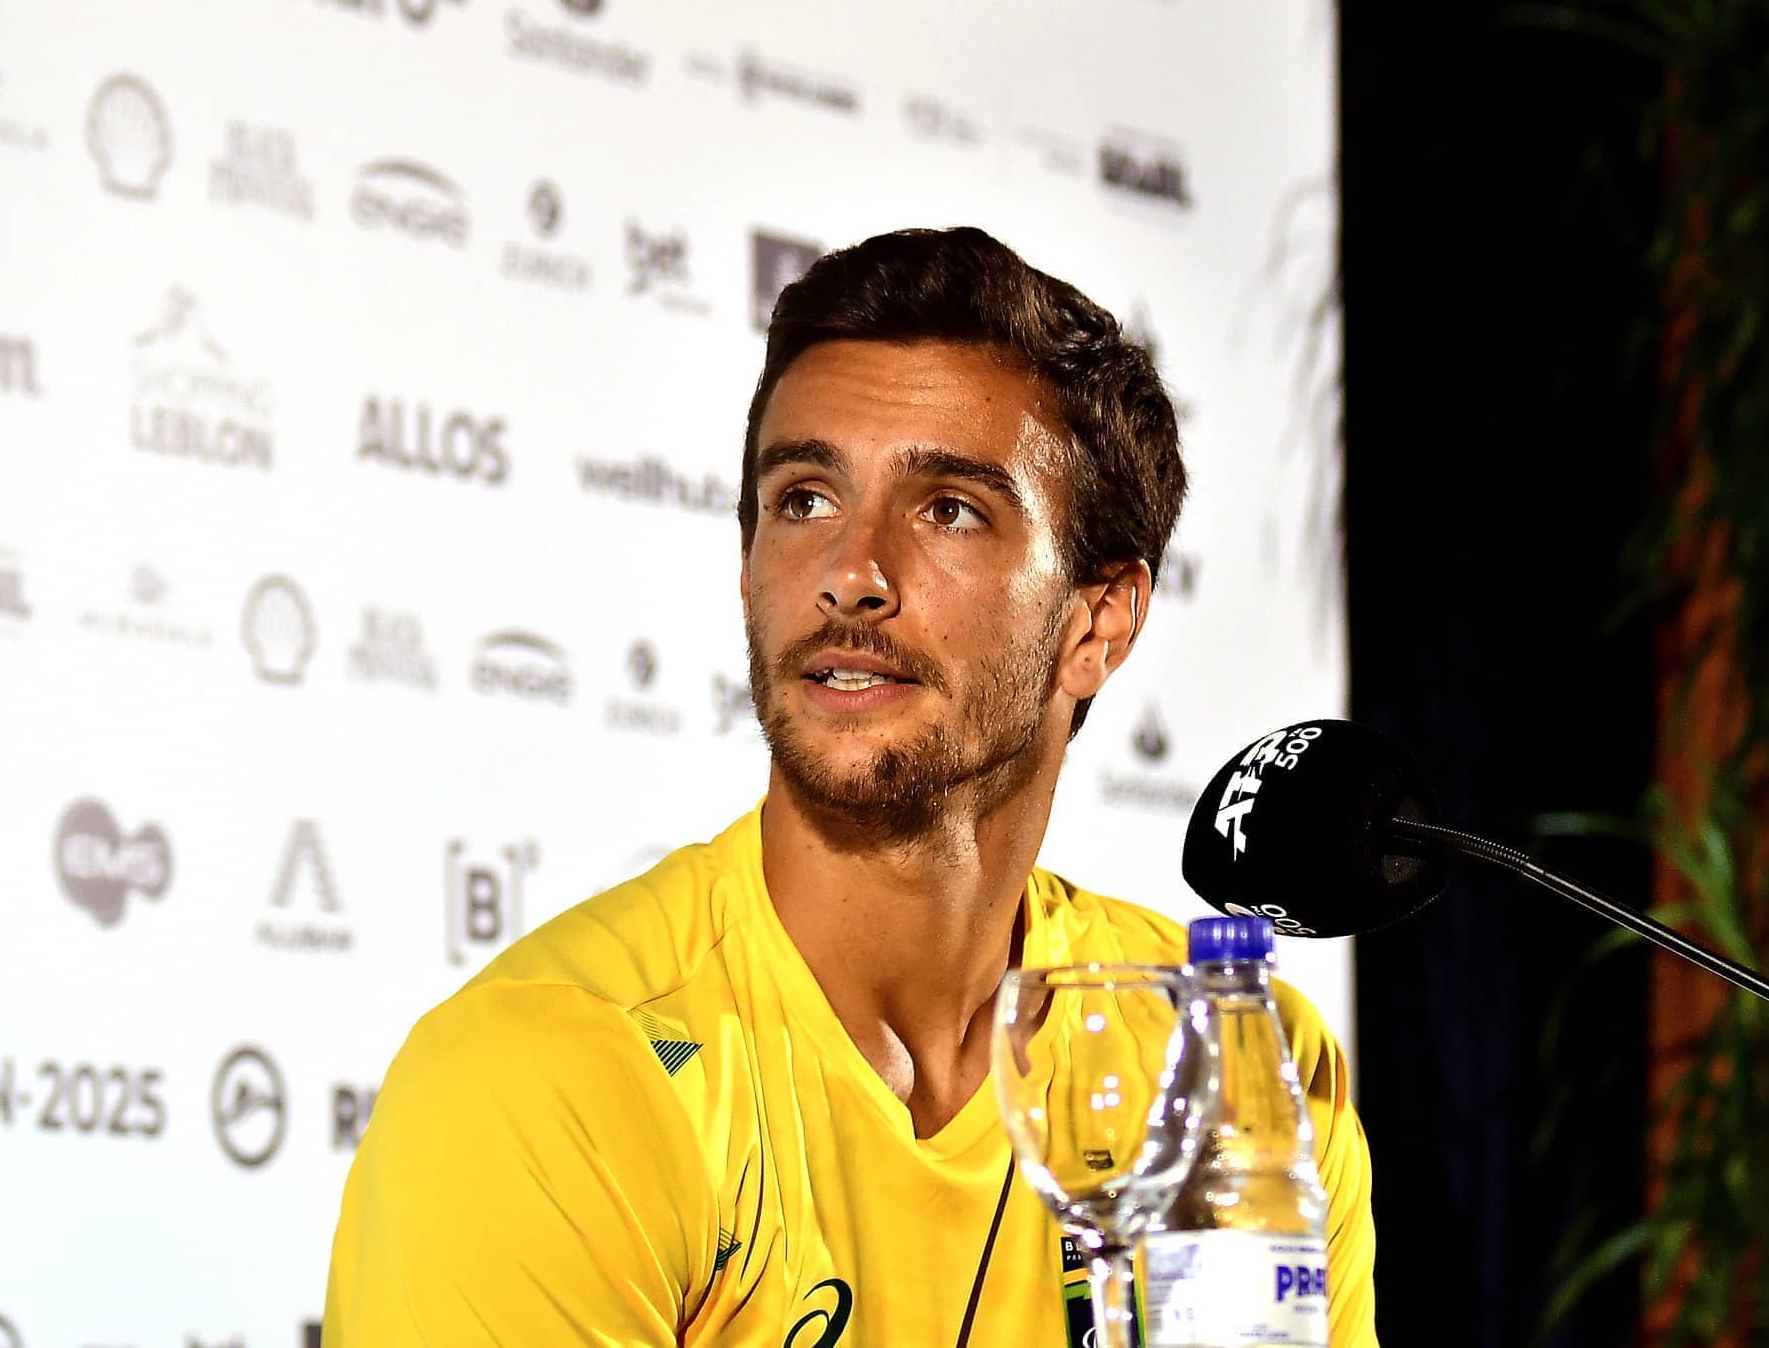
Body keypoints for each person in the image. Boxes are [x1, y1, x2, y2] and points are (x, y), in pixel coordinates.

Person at [322, 226, 1378, 1346]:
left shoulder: (1226, 1068)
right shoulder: (547, 1078)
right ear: (745, 566)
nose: (851, 573)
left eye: (949, 509)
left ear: (1097, 621)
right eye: (805, 499)